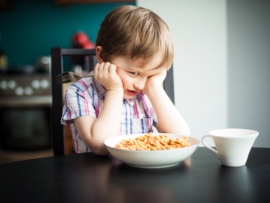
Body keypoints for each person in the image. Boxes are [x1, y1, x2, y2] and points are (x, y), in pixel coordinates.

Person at [61, 5, 190, 155]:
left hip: (141, 173)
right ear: (102, 56)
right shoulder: (80, 92)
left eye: (149, 75)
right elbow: (100, 146)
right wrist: (114, 90)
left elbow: (181, 138)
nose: (141, 85)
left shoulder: (148, 92)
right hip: (94, 175)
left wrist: (155, 87)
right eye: (133, 72)